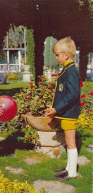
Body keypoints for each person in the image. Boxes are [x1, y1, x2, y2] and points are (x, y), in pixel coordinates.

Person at [45, 37, 80, 180]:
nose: (56, 58)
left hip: (69, 113)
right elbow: (63, 92)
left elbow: (73, 95)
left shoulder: (71, 70)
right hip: (66, 112)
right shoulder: (67, 69)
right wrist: (54, 106)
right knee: (68, 142)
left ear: (66, 55)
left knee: (71, 143)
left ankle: (72, 173)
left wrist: (57, 109)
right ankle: (68, 168)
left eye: (58, 55)